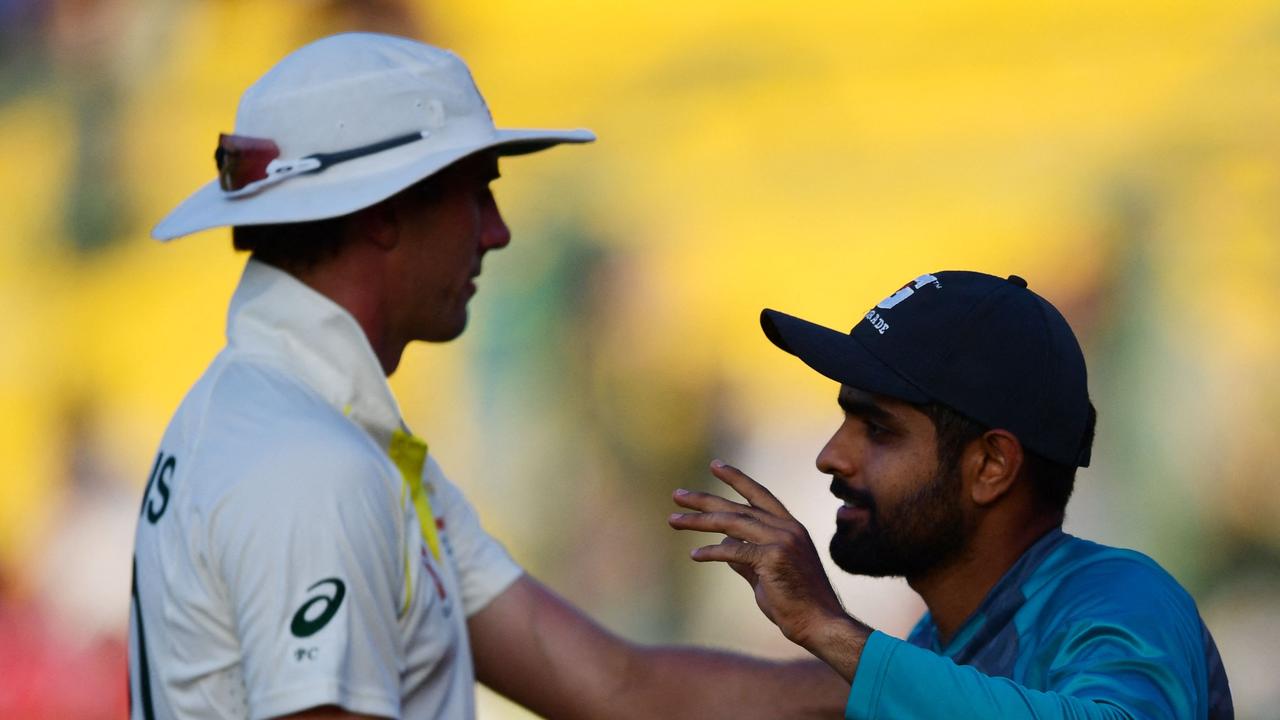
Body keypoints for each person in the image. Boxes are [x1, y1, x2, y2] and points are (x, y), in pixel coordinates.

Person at [129, 33, 849, 720]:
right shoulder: (313, 463)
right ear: (384, 213)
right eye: (476, 192)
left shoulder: (292, 425)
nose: (496, 230)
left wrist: (915, 682)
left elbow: (622, 689)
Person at [669, 270, 1234, 719]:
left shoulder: (1122, 597)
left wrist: (826, 627)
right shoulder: (941, 646)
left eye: (879, 429)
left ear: (990, 466)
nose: (830, 456)